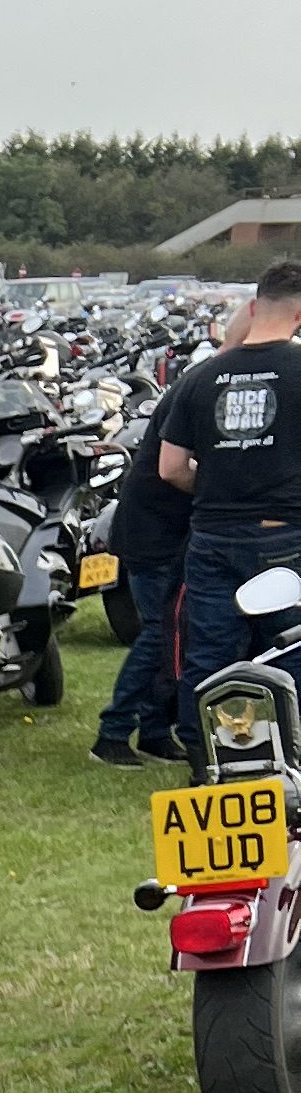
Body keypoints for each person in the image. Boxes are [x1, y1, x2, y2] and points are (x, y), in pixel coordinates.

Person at [157, 255, 301, 758]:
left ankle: (208, 762)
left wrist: (221, 485)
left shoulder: (202, 377)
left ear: (254, 307)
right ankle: (291, 762)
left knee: (209, 657)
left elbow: (171, 468)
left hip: (213, 537)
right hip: (286, 536)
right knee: (291, 651)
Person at [93, 341, 210, 769]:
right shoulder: (199, 394)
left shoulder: (189, 389)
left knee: (170, 633)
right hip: (153, 534)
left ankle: (155, 732)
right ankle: (113, 731)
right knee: (160, 634)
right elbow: (174, 469)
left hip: (156, 530)